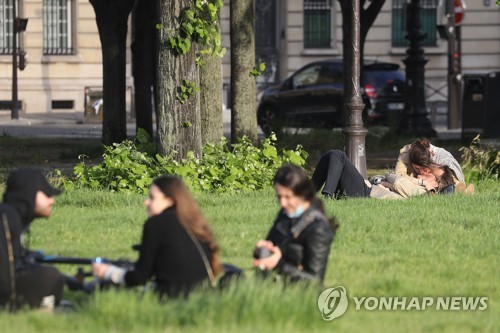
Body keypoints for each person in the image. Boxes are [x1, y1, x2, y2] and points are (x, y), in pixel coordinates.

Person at [92, 175, 222, 299]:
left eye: (152, 197)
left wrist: (108, 272)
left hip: (170, 300)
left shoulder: (156, 224)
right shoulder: (194, 223)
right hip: (204, 298)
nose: (146, 202)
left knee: (105, 288)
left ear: (169, 200)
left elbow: (139, 277)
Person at [252, 164, 337, 283]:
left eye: (288, 197)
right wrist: (261, 250)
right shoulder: (285, 213)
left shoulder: (318, 228)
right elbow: (271, 243)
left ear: (302, 193)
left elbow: (315, 282)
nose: (282, 203)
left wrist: (279, 265)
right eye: (279, 196)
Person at [0, 168, 64, 311]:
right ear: (29, 194)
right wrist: (8, 304)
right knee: (51, 276)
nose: (52, 201)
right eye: (47, 195)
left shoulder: (12, 217)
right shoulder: (7, 217)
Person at [312, 150, 456, 199]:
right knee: (330, 155)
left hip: (365, 194)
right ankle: (307, 193)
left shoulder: (422, 192)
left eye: (431, 174)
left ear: (436, 183)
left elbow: (396, 180)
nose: (426, 172)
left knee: (338, 155)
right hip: (365, 188)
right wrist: (382, 181)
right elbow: (379, 177)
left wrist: (422, 183)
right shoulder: (415, 184)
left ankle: (327, 196)